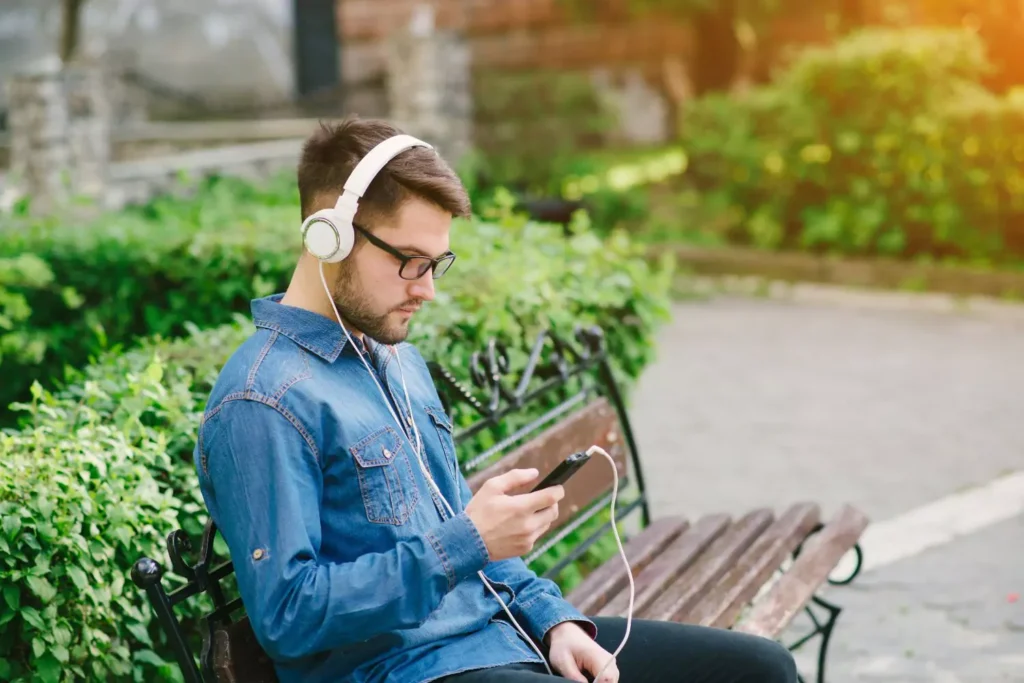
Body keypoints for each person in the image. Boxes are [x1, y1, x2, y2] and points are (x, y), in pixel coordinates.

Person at [195, 116, 798, 683]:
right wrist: (467, 543)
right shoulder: (262, 402)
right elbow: (289, 616)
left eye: (437, 264)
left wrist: (553, 619)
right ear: (329, 236)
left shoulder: (395, 360)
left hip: (499, 637)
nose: (427, 290)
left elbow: (466, 530)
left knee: (760, 669)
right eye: (410, 262)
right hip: (413, 671)